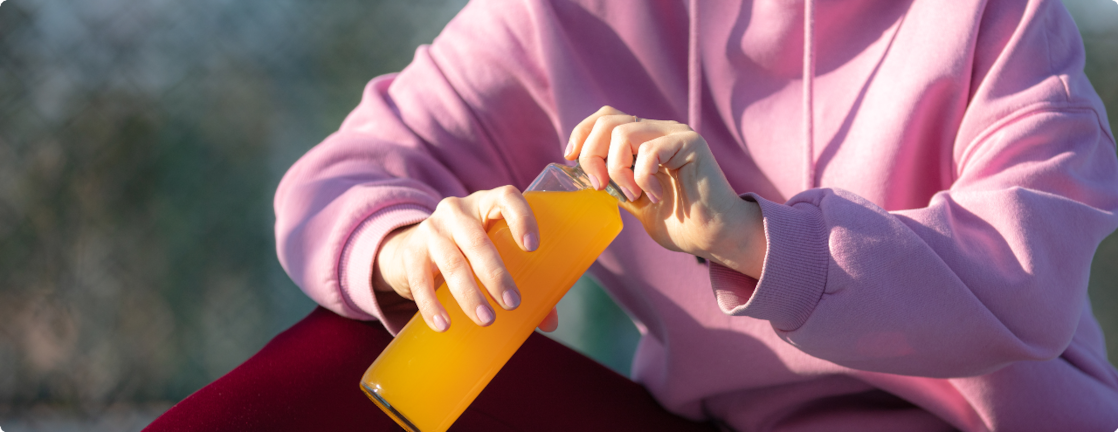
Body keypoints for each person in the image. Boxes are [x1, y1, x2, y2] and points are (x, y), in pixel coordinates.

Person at [150, 0, 1118, 430]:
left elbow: (1023, 278)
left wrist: (751, 239)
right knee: (345, 357)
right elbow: (344, 178)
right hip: (715, 428)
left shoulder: (997, 16)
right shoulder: (559, 13)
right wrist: (405, 248)